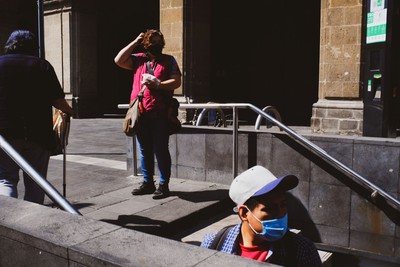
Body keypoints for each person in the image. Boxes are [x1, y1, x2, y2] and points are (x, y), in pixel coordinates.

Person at [0, 30, 73, 204]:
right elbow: (58, 101)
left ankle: (5, 219)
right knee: (36, 182)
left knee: (6, 178)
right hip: (38, 135)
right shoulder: (42, 66)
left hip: (5, 134)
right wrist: (70, 111)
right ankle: (32, 223)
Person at [201, 165, 322, 266]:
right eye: (270, 209)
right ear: (244, 213)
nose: (281, 214)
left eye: (283, 204)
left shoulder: (302, 250)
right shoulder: (213, 244)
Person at [114, 29, 181, 199]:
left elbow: (177, 81)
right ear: (145, 44)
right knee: (144, 150)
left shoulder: (169, 60)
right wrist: (135, 42)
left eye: (159, 42)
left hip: (159, 112)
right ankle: (148, 182)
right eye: (153, 42)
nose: (157, 45)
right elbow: (118, 60)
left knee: (160, 149)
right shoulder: (138, 59)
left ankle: (164, 185)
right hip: (141, 112)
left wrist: (159, 84)